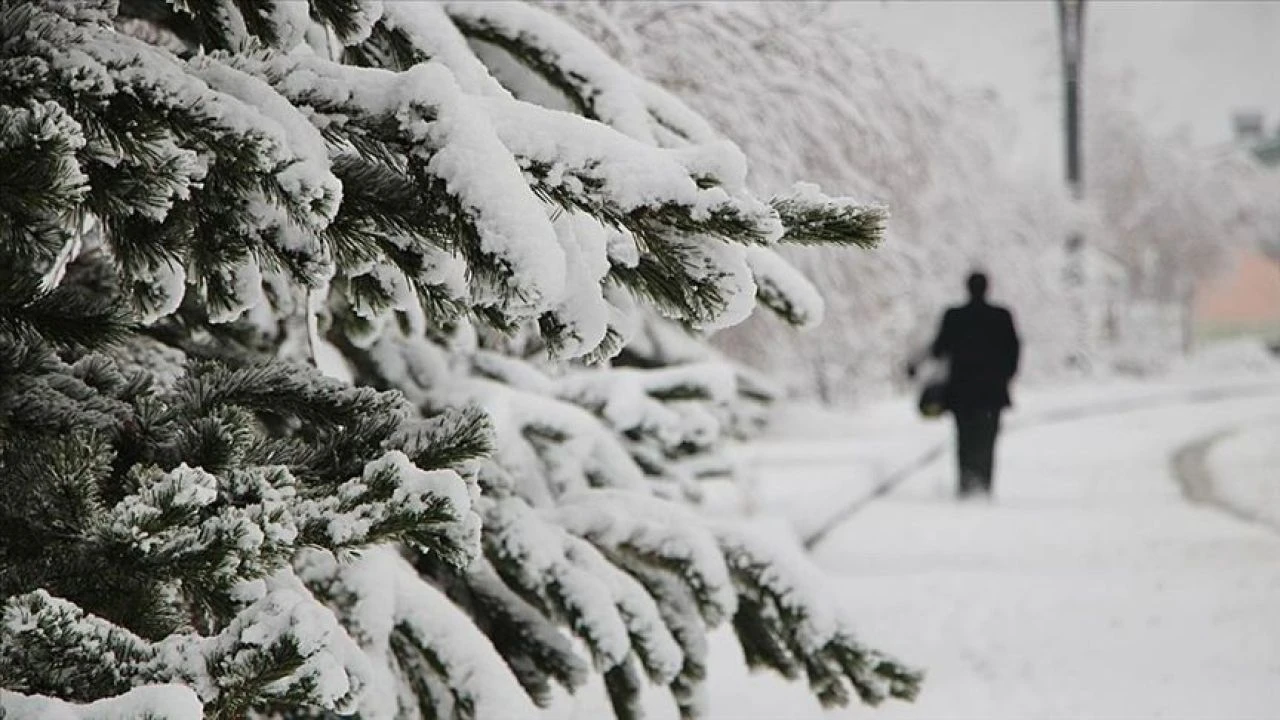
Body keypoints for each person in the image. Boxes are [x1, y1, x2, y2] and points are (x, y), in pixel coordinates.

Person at [927, 271, 1020, 498]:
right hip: (992, 391)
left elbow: (939, 349)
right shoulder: (1001, 316)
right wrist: (1005, 375)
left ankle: (966, 483)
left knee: (964, 437)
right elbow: (1014, 350)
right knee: (987, 437)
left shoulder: (954, 316)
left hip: (961, 391)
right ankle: (984, 483)